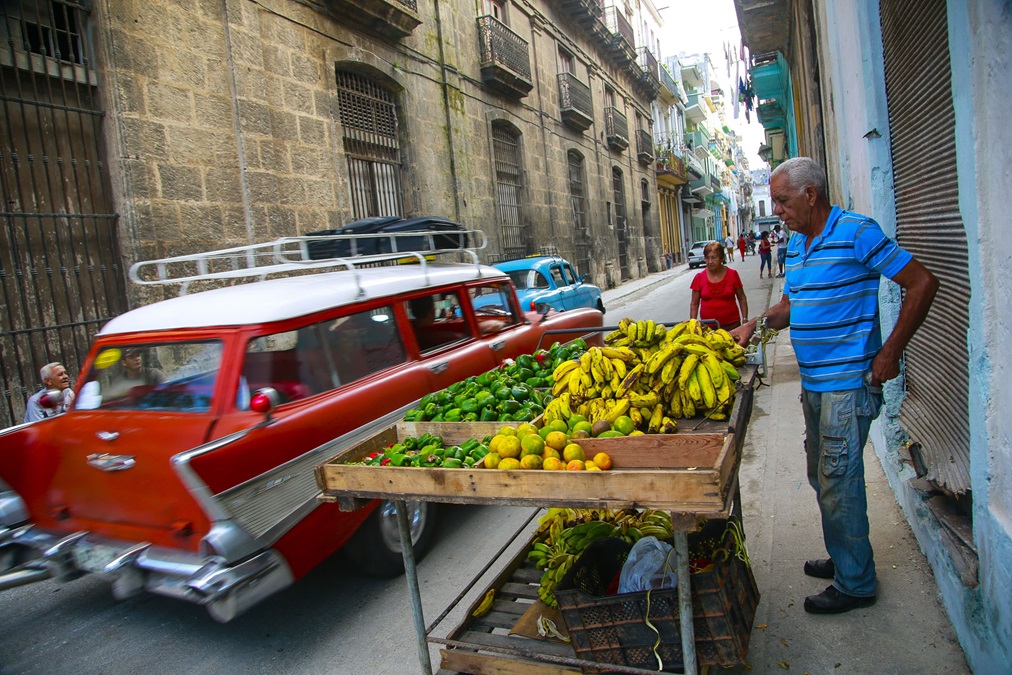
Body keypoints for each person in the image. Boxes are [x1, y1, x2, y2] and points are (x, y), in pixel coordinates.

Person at [731, 157, 938, 615]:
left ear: (811, 194)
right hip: (815, 386)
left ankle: (857, 583)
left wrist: (890, 352)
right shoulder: (798, 245)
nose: (777, 210)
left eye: (783, 201)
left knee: (839, 481)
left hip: (848, 386)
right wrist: (755, 324)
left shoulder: (857, 232)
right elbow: (790, 306)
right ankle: (846, 559)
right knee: (822, 475)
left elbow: (922, 282)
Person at [689, 242, 748, 331]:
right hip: (707, 328)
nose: (710, 261)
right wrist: (692, 325)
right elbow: (694, 304)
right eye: (707, 258)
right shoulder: (699, 277)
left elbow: (742, 299)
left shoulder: (733, 275)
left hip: (732, 326)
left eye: (714, 258)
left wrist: (745, 319)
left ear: (721, 258)